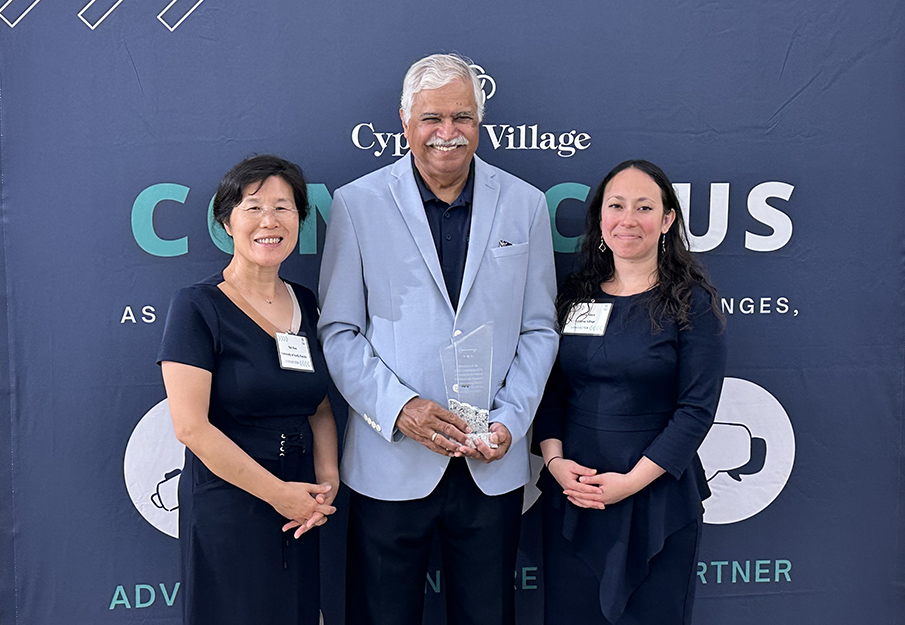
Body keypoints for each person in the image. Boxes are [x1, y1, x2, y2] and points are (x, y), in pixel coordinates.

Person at [318, 53, 559, 625]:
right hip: (390, 462)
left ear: (480, 123)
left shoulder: (526, 204)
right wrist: (401, 409)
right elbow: (339, 331)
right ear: (405, 121)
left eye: (463, 118)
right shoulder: (357, 204)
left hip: (490, 460)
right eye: (432, 118)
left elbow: (538, 328)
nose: (447, 134)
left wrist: (512, 420)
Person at [534, 160, 727, 625]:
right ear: (600, 217)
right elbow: (552, 390)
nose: (628, 219)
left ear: (666, 221)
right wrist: (556, 465)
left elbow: (695, 411)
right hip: (575, 495)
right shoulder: (576, 295)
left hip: (654, 499)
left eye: (645, 207)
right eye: (616, 205)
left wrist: (629, 484)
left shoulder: (692, 303)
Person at [157, 155, 338, 625]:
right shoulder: (198, 306)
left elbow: (318, 405)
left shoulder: (308, 303)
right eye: (253, 207)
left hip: (302, 503)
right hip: (229, 502)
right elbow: (191, 427)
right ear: (226, 220)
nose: (269, 221)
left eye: (284, 207)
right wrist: (278, 493)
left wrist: (327, 478)